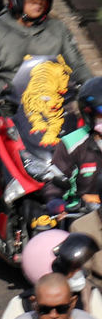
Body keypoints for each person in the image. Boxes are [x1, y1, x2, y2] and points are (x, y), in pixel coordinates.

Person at [0, 0, 91, 232]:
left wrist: (91, 88)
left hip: (53, 108)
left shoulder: (57, 30)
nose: (39, 3)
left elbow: (79, 67)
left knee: (90, 137)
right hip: (4, 108)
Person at [51, 78, 102, 218]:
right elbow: (53, 189)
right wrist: (60, 206)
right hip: (83, 217)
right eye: (101, 112)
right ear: (88, 113)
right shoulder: (71, 143)